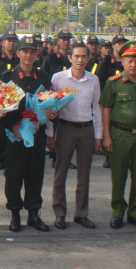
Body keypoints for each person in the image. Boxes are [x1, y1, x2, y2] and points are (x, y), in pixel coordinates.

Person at [0, 36, 56, 232]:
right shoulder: (7, 77)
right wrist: (12, 126)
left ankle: (33, 213)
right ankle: (15, 214)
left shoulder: (44, 78)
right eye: (25, 51)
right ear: (18, 53)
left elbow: (50, 105)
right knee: (13, 176)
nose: (29, 55)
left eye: (33, 52)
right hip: (14, 136)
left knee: (35, 174)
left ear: (37, 55)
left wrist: (52, 113)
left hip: (37, 136)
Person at [99, 40, 136, 230]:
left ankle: (135, 212)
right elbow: (106, 109)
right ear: (122, 61)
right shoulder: (113, 83)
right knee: (119, 175)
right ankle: (117, 212)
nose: (133, 65)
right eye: (129, 60)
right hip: (120, 134)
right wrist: (107, 136)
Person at [47, 42, 103, 230]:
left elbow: (97, 108)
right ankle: (60, 213)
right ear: (69, 58)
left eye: (84, 56)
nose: (80, 60)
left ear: (89, 58)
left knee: (84, 174)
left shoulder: (93, 79)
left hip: (87, 130)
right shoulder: (59, 78)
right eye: (76, 56)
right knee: (60, 172)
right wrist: (50, 134)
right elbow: (50, 106)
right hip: (65, 128)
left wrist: (99, 135)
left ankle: (81, 213)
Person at [0, 30, 20, 170]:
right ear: (3, 43)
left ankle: (13, 156)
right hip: (0, 97)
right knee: (0, 129)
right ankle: (1, 158)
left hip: (16, 96)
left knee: (15, 125)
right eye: (8, 40)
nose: (11, 43)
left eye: (14, 40)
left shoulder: (19, 58)